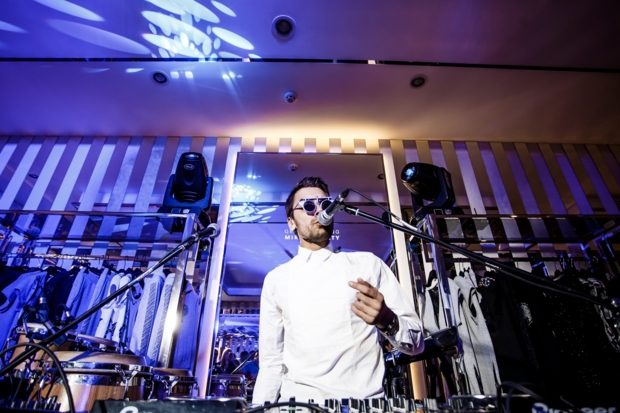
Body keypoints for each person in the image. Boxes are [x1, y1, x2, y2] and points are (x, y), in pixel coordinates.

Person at [253, 177, 424, 405]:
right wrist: (258, 408)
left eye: (325, 204)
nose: (318, 211)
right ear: (291, 222)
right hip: (299, 405)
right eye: (308, 206)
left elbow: (417, 344)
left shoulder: (368, 265)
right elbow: (271, 363)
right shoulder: (276, 280)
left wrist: (388, 321)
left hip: (361, 405)